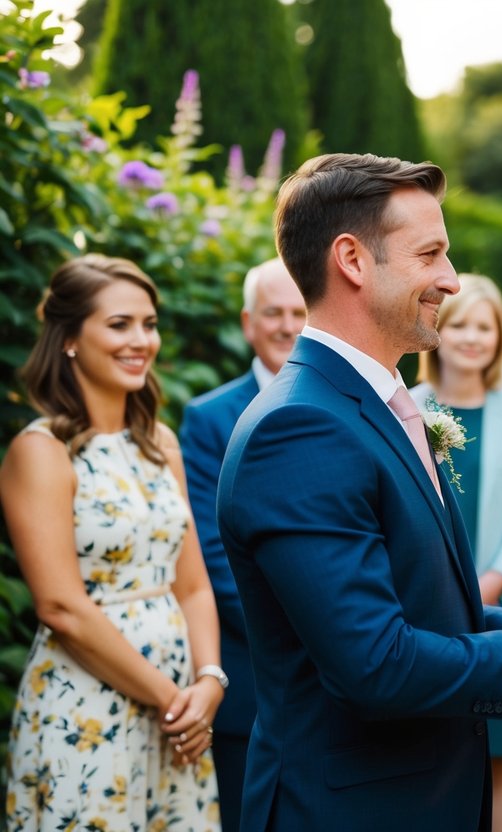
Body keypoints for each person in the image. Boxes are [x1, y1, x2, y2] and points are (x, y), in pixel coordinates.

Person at [215, 153, 502, 832]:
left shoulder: (374, 404)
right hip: (351, 811)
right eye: (430, 254)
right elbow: (374, 665)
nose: (451, 279)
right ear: (352, 259)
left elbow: (417, 605)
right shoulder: (300, 429)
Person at [2, 254, 222, 831]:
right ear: (69, 339)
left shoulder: (160, 443)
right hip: (88, 706)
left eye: (148, 324)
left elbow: (193, 586)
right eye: (119, 324)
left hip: (179, 711)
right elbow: (61, 606)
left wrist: (208, 680)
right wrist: (171, 700)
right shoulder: (42, 451)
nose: (141, 341)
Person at [412, 273, 502, 832]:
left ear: (500, 339)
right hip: (424, 604)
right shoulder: (405, 406)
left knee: (499, 750)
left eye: (485, 327)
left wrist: (488, 582)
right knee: (429, 746)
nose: (472, 338)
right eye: (460, 324)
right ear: (437, 328)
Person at [179, 257, 307, 832]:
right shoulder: (210, 418)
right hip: (253, 669)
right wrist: (315, 627)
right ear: (247, 323)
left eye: (299, 312)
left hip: (349, 678)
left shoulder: (351, 407)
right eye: (273, 313)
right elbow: (211, 551)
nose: (287, 326)